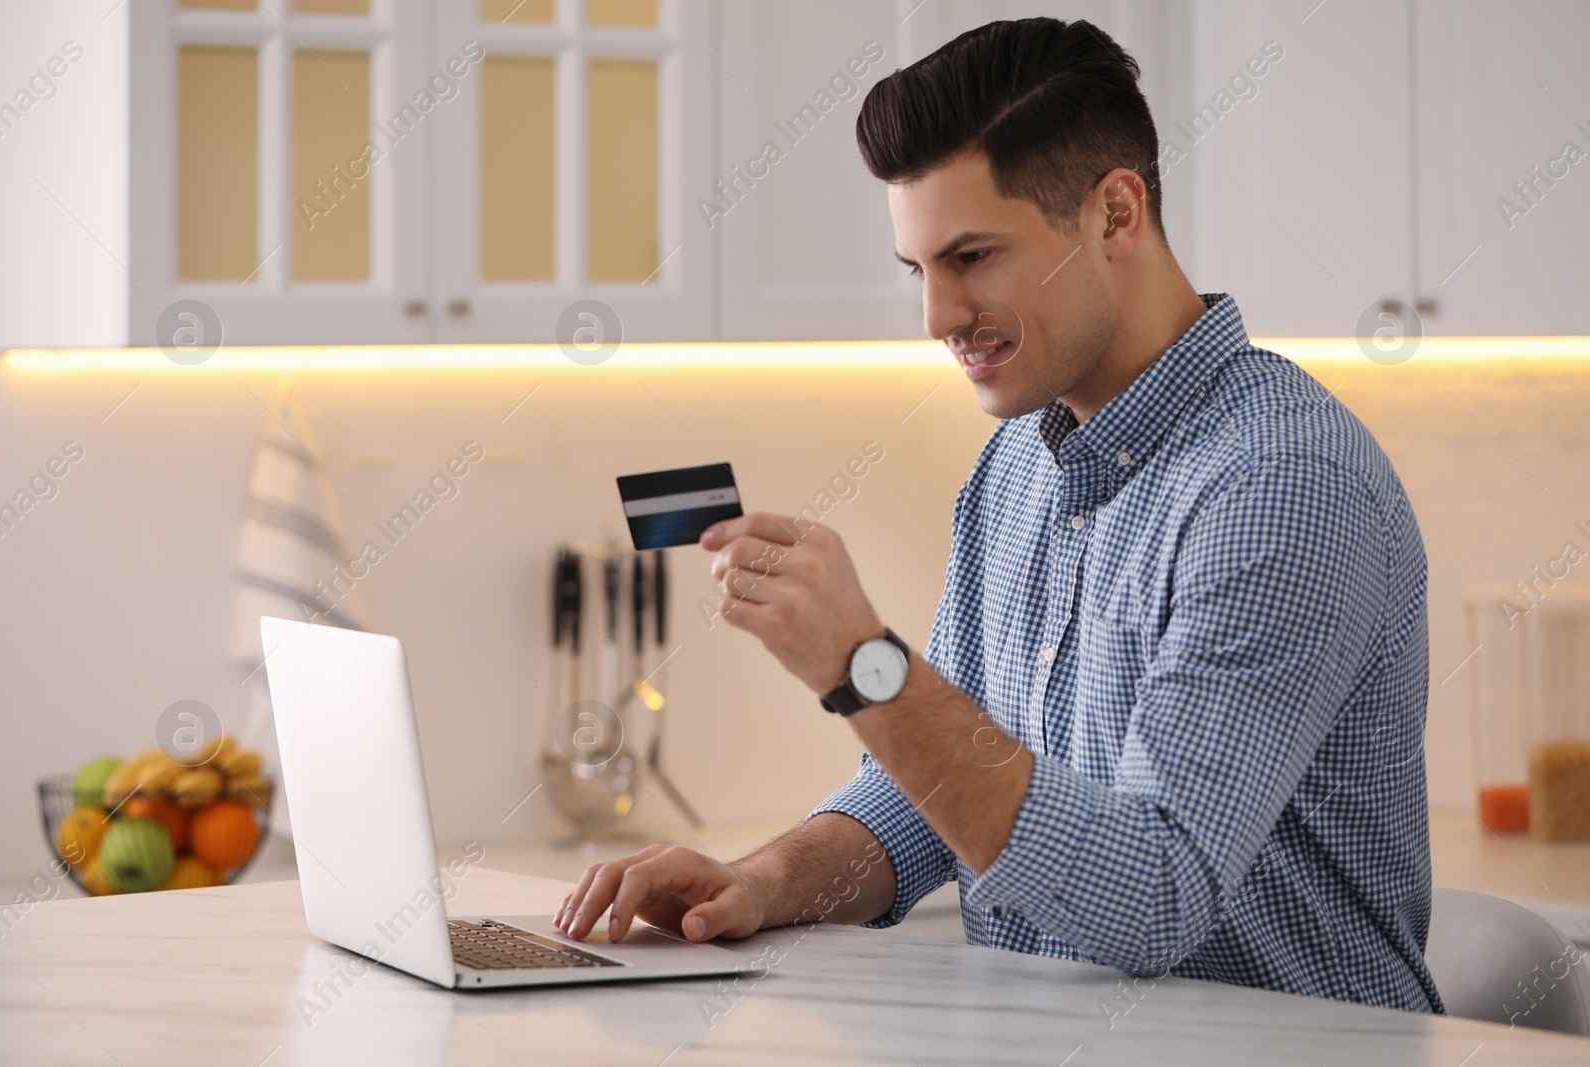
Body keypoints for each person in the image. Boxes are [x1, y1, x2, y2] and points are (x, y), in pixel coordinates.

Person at [554, 16, 1442, 1013]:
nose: (936, 316)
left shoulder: (1280, 486)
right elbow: (940, 789)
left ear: (1114, 214)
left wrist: (861, 665)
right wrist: (762, 881)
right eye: (917, 269)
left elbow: (1155, 892)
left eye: (971, 256)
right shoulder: (1015, 464)